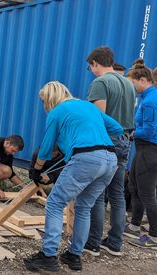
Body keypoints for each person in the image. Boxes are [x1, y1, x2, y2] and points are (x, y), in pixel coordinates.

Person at [24, 81, 121, 272]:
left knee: (54, 203)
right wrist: (90, 133)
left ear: (50, 99)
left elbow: (46, 147)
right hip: (110, 160)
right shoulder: (88, 106)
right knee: (84, 207)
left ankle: (48, 256)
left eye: (44, 102)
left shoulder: (56, 112)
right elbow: (117, 128)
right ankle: (74, 255)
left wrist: (37, 170)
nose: (44, 106)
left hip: (86, 159)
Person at [84, 46, 136, 257]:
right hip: (125, 141)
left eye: (90, 67)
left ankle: (93, 243)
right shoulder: (129, 84)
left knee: (97, 193)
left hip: (107, 142)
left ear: (95, 63)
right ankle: (115, 243)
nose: (91, 71)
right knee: (117, 194)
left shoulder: (100, 82)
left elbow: (98, 117)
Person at [124, 59, 157, 249]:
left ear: (142, 79)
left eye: (133, 83)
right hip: (142, 149)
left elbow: (151, 131)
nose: (132, 87)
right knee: (134, 187)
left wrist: (132, 132)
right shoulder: (147, 97)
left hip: (150, 149)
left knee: (146, 194)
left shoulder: (151, 100)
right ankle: (135, 226)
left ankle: (154, 236)